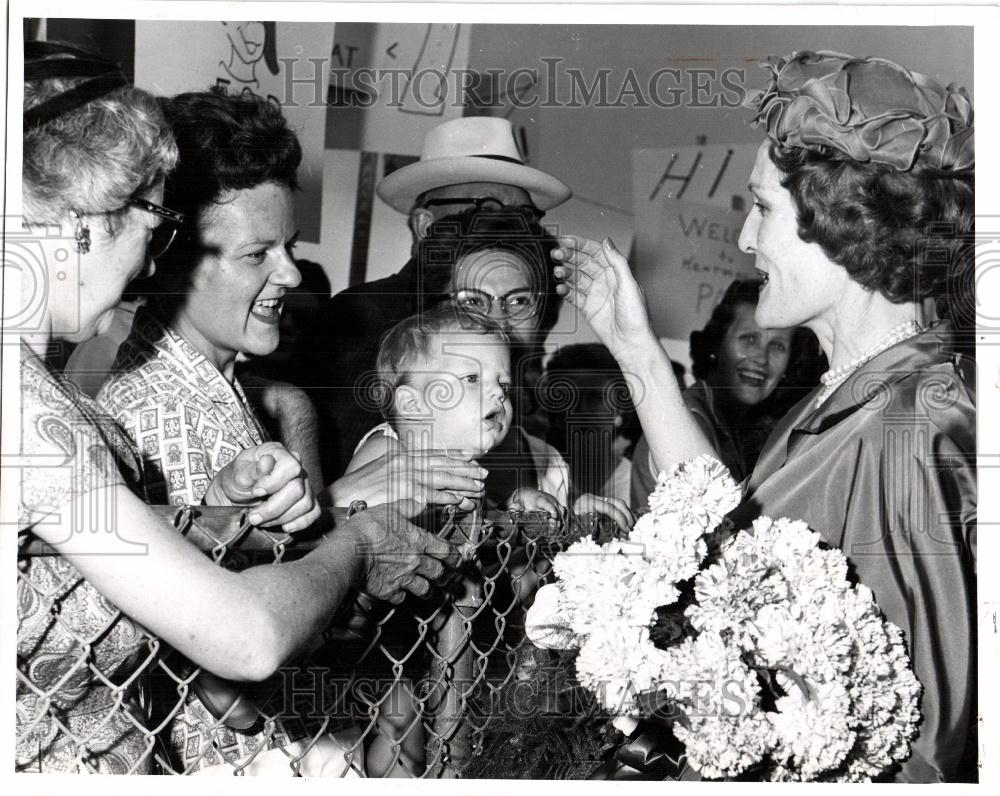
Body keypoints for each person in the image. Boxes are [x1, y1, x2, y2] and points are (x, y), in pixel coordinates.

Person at [18, 46, 457, 775]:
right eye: (152, 227)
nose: (149, 261)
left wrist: (218, 518)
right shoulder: (46, 408)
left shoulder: (49, 395)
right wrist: (357, 545)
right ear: (84, 219)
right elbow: (244, 642)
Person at [551, 51, 975, 782]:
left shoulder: (912, 426)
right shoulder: (849, 400)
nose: (746, 240)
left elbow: (921, 751)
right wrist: (635, 348)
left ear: (845, 219)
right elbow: (730, 532)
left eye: (763, 207)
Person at [292, 116, 572, 481]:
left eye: (525, 215)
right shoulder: (361, 317)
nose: (509, 226)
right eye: (488, 207)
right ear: (426, 226)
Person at [630, 279, 824, 509]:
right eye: (749, 339)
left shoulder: (727, 421)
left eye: (777, 346)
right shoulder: (690, 417)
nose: (761, 358)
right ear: (716, 344)